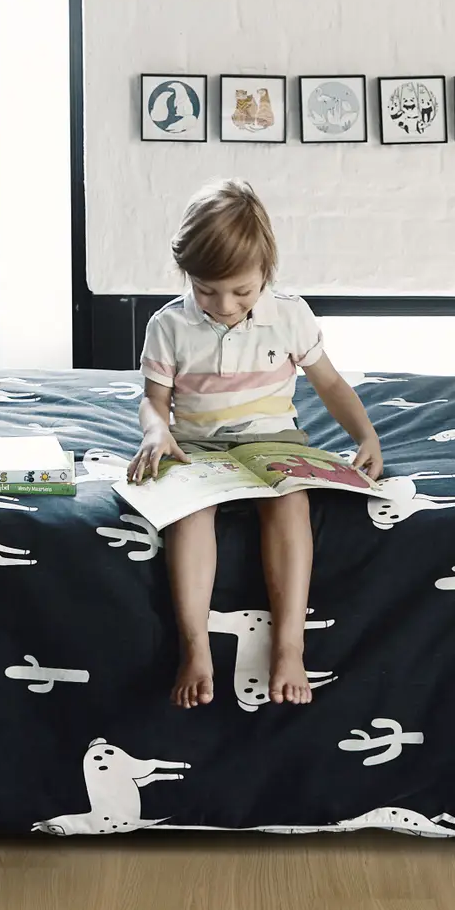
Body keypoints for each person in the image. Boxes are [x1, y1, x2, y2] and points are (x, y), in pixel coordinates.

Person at [128, 181, 384, 708]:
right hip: (197, 446)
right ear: (186, 277)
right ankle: (195, 647)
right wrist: (157, 430)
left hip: (275, 442)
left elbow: (331, 384)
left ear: (267, 272)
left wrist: (366, 434)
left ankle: (289, 646)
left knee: (290, 503)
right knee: (190, 515)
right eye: (206, 290)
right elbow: (153, 400)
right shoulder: (168, 325)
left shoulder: (290, 316)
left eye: (241, 292)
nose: (223, 305)